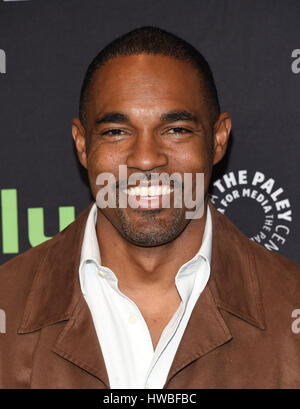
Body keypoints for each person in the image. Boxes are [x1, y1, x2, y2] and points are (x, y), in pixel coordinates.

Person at [0, 26, 299, 389]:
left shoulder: (290, 308)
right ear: (82, 144)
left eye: (176, 130)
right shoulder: (7, 305)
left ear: (218, 139)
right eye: (116, 132)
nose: (145, 159)